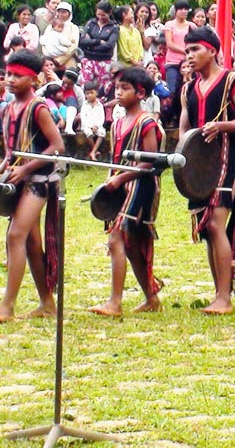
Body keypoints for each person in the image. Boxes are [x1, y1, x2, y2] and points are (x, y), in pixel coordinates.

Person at [178, 26, 235, 314]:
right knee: (209, 230)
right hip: (199, 167)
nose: (189, 56)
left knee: (215, 224)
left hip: (227, 161)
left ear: (212, 50)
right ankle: (218, 294)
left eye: (194, 49)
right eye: (186, 51)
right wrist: (183, 155)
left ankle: (224, 298)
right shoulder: (188, 88)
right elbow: (185, 129)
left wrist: (222, 125)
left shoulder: (231, 81)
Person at [0, 50, 65, 323]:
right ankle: (47, 303)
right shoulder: (6, 108)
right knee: (30, 242)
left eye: (17, 76)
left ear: (33, 79)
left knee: (15, 235)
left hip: (40, 183)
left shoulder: (38, 108)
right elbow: (11, 152)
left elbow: (57, 147)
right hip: (18, 181)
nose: (10, 80)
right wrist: (1, 169)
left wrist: (25, 169)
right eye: (8, 74)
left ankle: (7, 306)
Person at [89, 67, 166, 316]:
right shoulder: (117, 123)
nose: (118, 92)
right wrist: (110, 181)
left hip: (141, 187)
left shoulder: (147, 122)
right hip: (120, 186)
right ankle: (151, 298)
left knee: (116, 239)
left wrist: (121, 177)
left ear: (140, 92)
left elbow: (150, 161)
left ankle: (115, 302)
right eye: (117, 87)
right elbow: (115, 160)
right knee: (130, 246)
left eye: (125, 88)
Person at [161, 0, 192, 122]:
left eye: (186, 9)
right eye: (181, 9)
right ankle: (174, 116)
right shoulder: (169, 24)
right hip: (173, 61)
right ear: (176, 10)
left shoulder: (191, 25)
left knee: (190, 88)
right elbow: (169, 44)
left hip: (188, 62)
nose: (183, 11)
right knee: (173, 90)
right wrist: (186, 51)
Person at [77, 0, 119, 87]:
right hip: (88, 59)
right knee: (85, 85)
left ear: (109, 12)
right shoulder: (91, 23)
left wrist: (90, 45)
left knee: (104, 87)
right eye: (98, 14)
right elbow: (82, 41)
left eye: (103, 15)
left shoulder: (114, 27)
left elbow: (109, 45)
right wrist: (98, 42)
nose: (100, 17)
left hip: (104, 61)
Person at [40, 1, 80, 70]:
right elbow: (44, 43)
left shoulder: (73, 28)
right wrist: (50, 58)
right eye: (59, 12)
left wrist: (59, 60)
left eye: (64, 12)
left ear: (69, 14)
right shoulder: (50, 27)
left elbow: (73, 47)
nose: (61, 14)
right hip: (50, 62)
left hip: (68, 61)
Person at [78, 81, 106, 157]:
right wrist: (91, 126)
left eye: (91, 93)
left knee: (102, 132)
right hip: (87, 126)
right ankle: (93, 150)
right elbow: (84, 118)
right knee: (88, 132)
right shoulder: (85, 105)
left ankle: (94, 151)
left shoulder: (100, 105)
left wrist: (96, 126)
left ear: (96, 93)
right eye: (87, 94)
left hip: (97, 126)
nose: (89, 95)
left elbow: (101, 118)